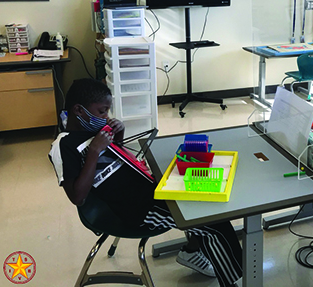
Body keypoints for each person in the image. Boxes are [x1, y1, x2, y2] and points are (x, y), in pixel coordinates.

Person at [48, 78, 242, 287]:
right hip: (137, 209)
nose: (106, 117)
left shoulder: (93, 130)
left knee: (201, 196)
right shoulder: (64, 145)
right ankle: (235, 280)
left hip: (147, 188)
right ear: (79, 110)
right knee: (214, 224)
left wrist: (118, 134)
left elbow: (116, 159)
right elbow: (78, 197)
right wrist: (94, 150)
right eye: (102, 111)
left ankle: (192, 252)